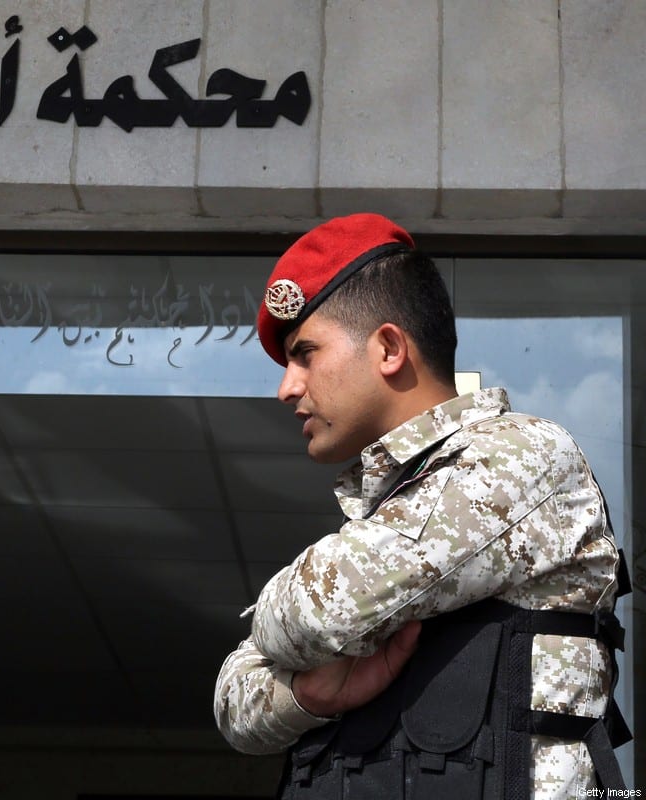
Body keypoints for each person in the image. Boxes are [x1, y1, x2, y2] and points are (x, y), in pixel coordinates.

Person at [213, 213, 630, 798]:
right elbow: (233, 703)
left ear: (387, 348)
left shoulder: (520, 456)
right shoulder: (382, 509)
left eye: (305, 354)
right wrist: (313, 692)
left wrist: (287, 636)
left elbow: (315, 613)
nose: (287, 387)